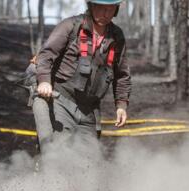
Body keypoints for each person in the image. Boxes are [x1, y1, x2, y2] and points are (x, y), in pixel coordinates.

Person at [33, 0, 131, 146]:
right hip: (61, 101)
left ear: (116, 10)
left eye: (110, 9)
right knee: (59, 153)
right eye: (101, 8)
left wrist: (121, 105)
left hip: (89, 109)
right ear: (91, 6)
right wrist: (44, 81)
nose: (105, 13)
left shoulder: (117, 36)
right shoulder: (71, 26)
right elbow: (46, 55)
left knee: (88, 160)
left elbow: (122, 75)